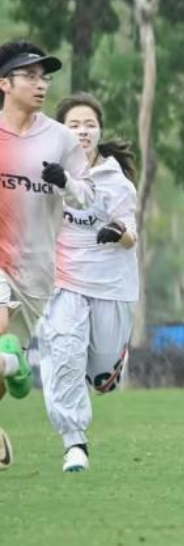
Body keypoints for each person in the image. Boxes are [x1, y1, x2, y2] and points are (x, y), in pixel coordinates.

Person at [40, 93, 140, 473]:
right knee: (65, 352)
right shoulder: (46, 171)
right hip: (63, 280)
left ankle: (108, 369)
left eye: (89, 125)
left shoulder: (115, 181)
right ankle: (74, 443)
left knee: (101, 376)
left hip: (112, 283)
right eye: (74, 125)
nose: (82, 131)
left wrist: (117, 232)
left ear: (100, 130)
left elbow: (131, 235)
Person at [0, 40, 94, 403]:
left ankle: (13, 366)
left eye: (44, 78)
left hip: (36, 269)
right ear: (4, 83)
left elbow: (87, 196)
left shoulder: (61, 139)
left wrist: (65, 182)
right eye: (30, 76)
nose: (40, 84)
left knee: (6, 354)